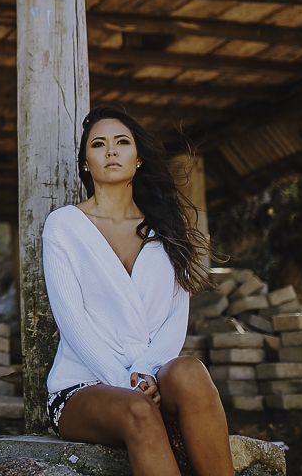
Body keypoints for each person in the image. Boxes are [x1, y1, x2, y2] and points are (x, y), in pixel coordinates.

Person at [41, 106, 233, 476]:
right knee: (138, 410)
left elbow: (176, 319)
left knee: (191, 371)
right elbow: (72, 323)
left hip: (151, 378)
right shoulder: (64, 227)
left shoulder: (166, 230)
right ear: (86, 163)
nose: (111, 151)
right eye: (99, 144)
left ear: (138, 158)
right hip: (83, 388)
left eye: (122, 142)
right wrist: (126, 384)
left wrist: (144, 373)